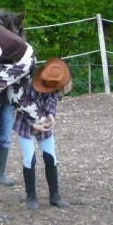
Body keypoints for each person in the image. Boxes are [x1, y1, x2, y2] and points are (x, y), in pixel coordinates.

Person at [14, 57, 72, 210]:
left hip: (44, 124)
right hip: (25, 125)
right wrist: (34, 124)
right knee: (29, 159)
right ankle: (31, 197)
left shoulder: (54, 86)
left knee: (50, 157)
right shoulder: (26, 84)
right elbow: (20, 105)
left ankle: (55, 195)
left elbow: (52, 103)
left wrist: (51, 116)